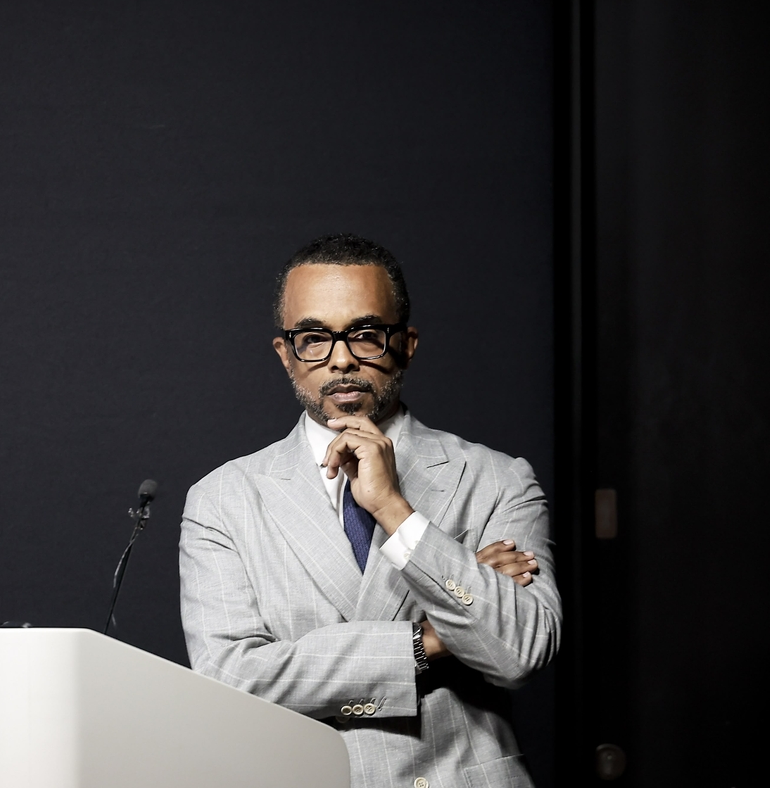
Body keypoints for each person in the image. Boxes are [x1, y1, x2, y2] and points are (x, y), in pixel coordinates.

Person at [179, 233, 561, 788]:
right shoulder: (223, 499)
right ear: (286, 353)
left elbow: (521, 650)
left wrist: (394, 510)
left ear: (406, 343)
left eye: (365, 334)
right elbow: (230, 681)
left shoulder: (497, 478)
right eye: (314, 338)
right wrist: (428, 640)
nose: (341, 359)